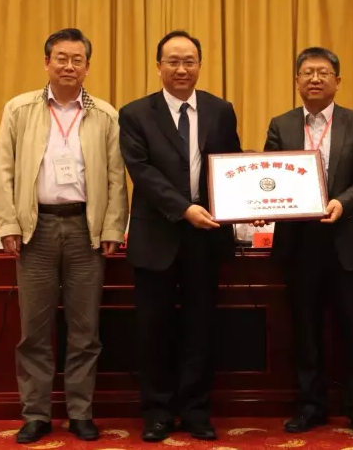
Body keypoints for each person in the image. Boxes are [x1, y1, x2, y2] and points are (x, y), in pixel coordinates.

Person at [0, 28, 128, 444]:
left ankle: (80, 412)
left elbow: (116, 177)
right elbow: (4, 170)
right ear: (47, 62)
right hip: (37, 229)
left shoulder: (105, 115)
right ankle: (35, 414)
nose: (69, 66)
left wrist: (113, 227)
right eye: (61, 58)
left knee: (85, 330)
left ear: (87, 66)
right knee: (34, 330)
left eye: (77, 59)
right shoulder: (19, 109)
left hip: (86, 230)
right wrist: (8, 223)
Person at [119, 30, 242, 442]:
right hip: (157, 236)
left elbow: (231, 165)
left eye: (189, 61)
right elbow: (142, 172)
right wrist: (184, 209)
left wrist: (247, 205)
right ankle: (156, 412)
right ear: (158, 67)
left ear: (200, 65)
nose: (181, 69)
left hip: (206, 238)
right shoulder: (135, 114)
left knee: (200, 328)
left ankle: (195, 410)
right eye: (173, 61)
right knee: (152, 330)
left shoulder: (220, 110)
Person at [263, 47, 353, 437]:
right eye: (308, 72)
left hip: (344, 240)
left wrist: (342, 202)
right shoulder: (281, 124)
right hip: (298, 244)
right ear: (297, 81)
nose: (315, 78)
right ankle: (310, 406)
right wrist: (259, 203)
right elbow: (268, 177)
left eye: (323, 72)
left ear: (337, 81)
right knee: (305, 330)